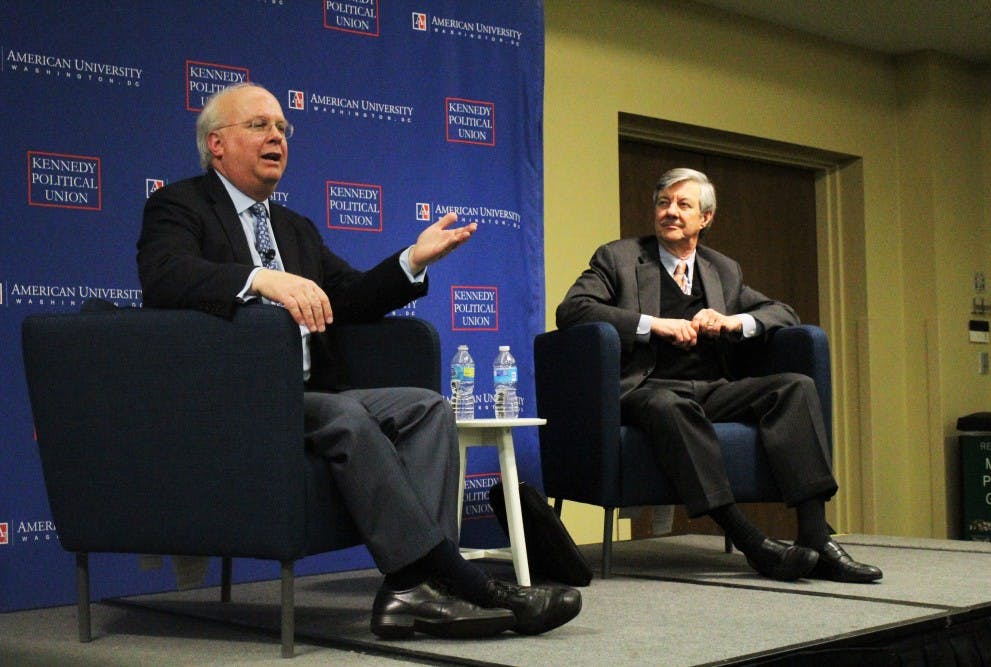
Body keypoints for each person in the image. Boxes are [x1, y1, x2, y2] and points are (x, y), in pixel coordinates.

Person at [137, 82, 581, 638]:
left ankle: (412, 592)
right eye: (259, 126)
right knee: (349, 418)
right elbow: (164, 277)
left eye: (282, 128)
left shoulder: (293, 228)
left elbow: (348, 296)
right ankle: (461, 580)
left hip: (305, 394)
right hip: (236, 396)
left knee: (426, 408)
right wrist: (261, 279)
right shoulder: (178, 206)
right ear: (217, 143)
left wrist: (412, 261)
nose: (277, 135)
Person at [556, 167, 881, 583]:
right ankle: (750, 540)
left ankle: (816, 537)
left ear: (705, 218)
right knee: (667, 404)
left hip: (712, 389)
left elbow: (783, 312)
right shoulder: (618, 258)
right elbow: (573, 310)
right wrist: (652, 324)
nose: (670, 212)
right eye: (663, 203)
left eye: (682, 204)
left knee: (796, 387)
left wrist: (733, 322)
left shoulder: (722, 269)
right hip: (645, 389)